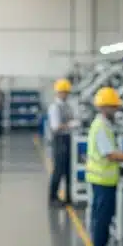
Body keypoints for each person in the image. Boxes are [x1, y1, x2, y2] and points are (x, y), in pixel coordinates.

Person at [85, 87, 123, 246]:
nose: (116, 110)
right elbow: (110, 154)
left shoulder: (104, 125)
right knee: (102, 220)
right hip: (102, 181)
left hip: (104, 180)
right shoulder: (101, 127)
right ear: (104, 107)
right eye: (113, 107)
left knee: (103, 219)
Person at [47, 78, 76, 206]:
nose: (65, 94)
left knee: (69, 169)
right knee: (58, 170)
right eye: (63, 92)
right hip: (59, 140)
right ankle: (53, 197)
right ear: (58, 92)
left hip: (68, 139)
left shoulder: (67, 106)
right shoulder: (54, 107)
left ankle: (69, 197)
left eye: (67, 92)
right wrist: (71, 125)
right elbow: (55, 127)